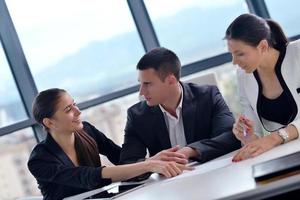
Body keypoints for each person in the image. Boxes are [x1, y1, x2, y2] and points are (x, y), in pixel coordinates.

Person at [27, 88, 191, 200]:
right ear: (49, 122)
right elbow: (87, 176)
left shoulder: (87, 131)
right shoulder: (39, 160)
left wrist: (150, 161)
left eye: (74, 104)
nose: (78, 112)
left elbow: (122, 159)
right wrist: (148, 165)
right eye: (68, 109)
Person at [120, 47, 241, 166]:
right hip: (169, 182)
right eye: (140, 83)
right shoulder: (136, 115)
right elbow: (127, 163)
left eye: (147, 84)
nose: (141, 92)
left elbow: (230, 137)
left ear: (171, 80)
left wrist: (190, 151)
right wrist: (151, 162)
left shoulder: (208, 96)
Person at [225, 13, 300, 162]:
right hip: (286, 156)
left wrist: (275, 138)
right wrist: (246, 134)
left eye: (240, 54)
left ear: (263, 46)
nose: (234, 62)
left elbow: (270, 140)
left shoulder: (298, 53)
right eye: (232, 54)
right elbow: (255, 138)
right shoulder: (243, 76)